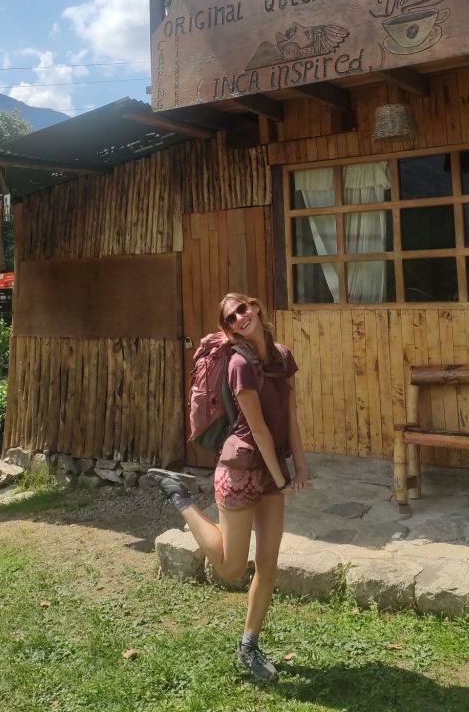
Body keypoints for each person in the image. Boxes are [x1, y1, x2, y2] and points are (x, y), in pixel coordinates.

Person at [148, 292, 310, 683]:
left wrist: (301, 468)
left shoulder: (283, 356)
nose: (240, 317)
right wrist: (281, 478)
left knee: (268, 564)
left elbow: (289, 416)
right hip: (240, 470)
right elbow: (258, 430)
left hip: (272, 467)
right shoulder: (239, 364)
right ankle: (180, 497)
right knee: (231, 567)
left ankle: (248, 646)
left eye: (242, 309)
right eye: (231, 317)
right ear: (229, 329)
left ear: (255, 307)